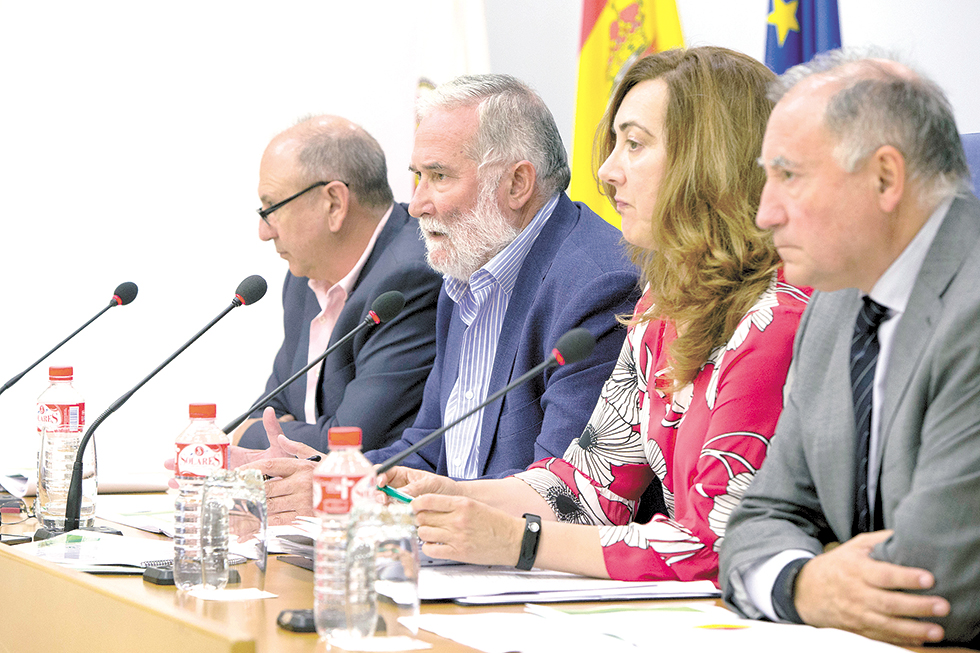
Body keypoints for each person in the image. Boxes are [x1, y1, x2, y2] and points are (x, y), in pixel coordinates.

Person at [379, 47, 809, 584]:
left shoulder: (775, 317)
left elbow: (715, 545)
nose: (606, 172)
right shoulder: (662, 308)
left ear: (708, 161)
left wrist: (517, 540)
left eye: (634, 144)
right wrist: (453, 497)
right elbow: (586, 488)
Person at [241, 74, 640, 525]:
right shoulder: (464, 275)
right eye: (418, 177)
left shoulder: (597, 285)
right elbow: (428, 451)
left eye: (439, 176)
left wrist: (356, 496)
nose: (416, 204)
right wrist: (327, 476)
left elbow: (561, 497)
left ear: (517, 184)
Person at [718, 49, 980, 648]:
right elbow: (757, 520)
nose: (764, 213)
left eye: (789, 176)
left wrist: (811, 574)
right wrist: (804, 584)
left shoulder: (972, 306)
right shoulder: (834, 307)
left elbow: (936, 585)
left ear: (885, 178)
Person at [235, 116, 442, 453]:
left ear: (334, 203)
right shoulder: (305, 278)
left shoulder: (409, 281)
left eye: (272, 208)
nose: (264, 231)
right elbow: (270, 411)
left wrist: (249, 435)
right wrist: (278, 432)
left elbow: (350, 445)